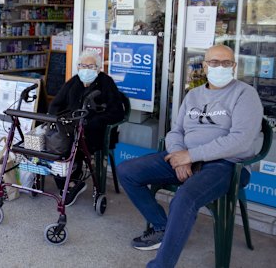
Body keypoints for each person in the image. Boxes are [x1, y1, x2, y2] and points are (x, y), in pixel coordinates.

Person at [117, 44, 263, 268]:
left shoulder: (245, 94)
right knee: (127, 171)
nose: (220, 67)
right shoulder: (193, 95)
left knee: (184, 198)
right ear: (204, 66)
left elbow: (240, 140)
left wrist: (191, 156)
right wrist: (178, 155)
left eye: (226, 63)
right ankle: (163, 226)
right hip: (186, 156)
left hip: (227, 165)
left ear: (234, 66)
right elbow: (176, 131)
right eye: (214, 62)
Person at [48, 49, 125, 206]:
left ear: (98, 68)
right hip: (71, 128)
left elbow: (117, 112)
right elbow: (56, 104)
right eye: (83, 65)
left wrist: (95, 121)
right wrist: (55, 119)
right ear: (78, 67)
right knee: (53, 143)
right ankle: (69, 184)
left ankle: (70, 184)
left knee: (69, 145)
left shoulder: (106, 83)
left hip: (95, 132)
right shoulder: (74, 81)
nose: (86, 69)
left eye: (90, 66)